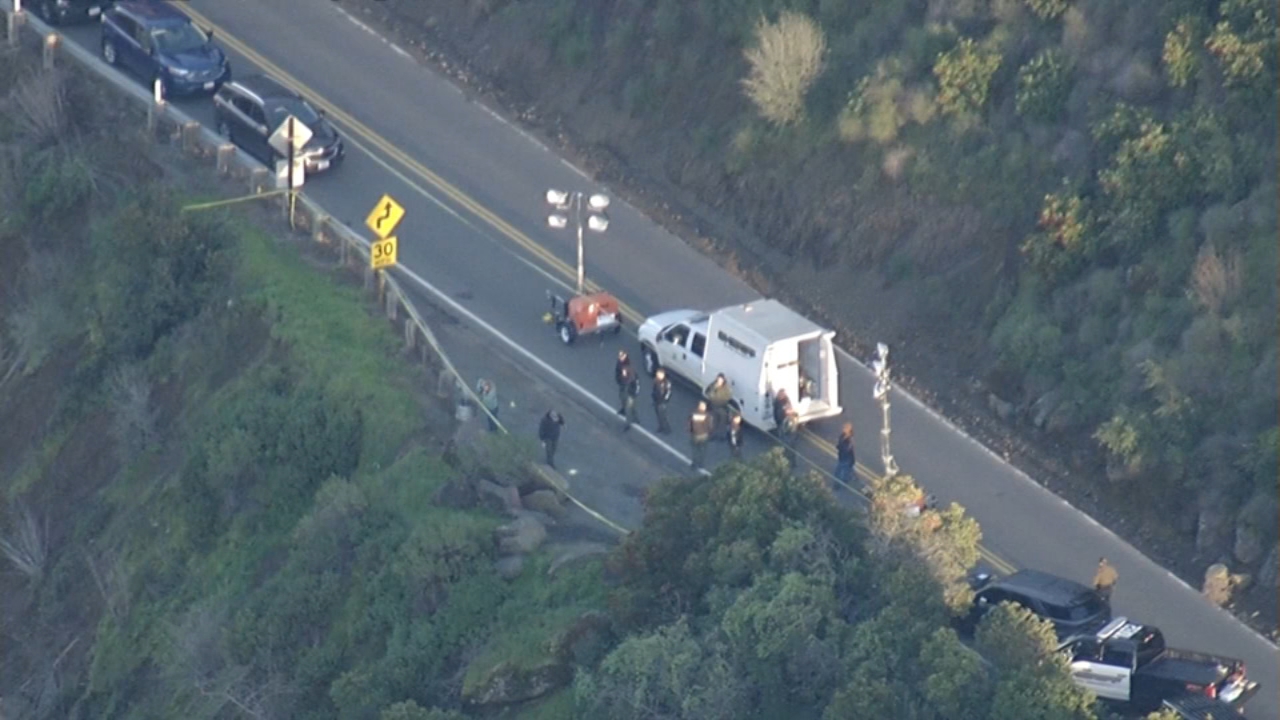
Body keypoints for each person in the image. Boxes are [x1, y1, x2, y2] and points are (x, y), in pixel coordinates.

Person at [773, 388, 798, 469]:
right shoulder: (778, 402)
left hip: (787, 428)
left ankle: (791, 462)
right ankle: (786, 461)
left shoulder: (785, 402)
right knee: (785, 445)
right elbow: (776, 413)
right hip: (782, 425)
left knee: (789, 447)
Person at [689, 401, 712, 470]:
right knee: (702, 450)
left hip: (695, 435)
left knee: (695, 450)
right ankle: (701, 463)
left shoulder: (693, 414)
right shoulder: (708, 416)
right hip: (704, 435)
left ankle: (694, 464)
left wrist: (691, 432)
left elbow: (690, 424)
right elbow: (710, 427)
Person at [651, 368, 672, 434]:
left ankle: (667, 429)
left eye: (659, 374)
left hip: (662, 401)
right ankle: (661, 426)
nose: (658, 376)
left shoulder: (666, 383)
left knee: (663, 416)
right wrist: (653, 397)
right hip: (656, 400)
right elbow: (654, 389)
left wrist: (665, 400)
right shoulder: (656, 381)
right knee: (658, 415)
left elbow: (668, 393)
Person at [615, 350, 633, 416]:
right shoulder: (619, 362)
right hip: (621, 381)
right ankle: (624, 409)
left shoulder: (627, 364)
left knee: (625, 396)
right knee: (622, 396)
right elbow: (617, 370)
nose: (620, 357)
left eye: (622, 356)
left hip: (625, 382)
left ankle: (628, 411)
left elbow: (629, 375)